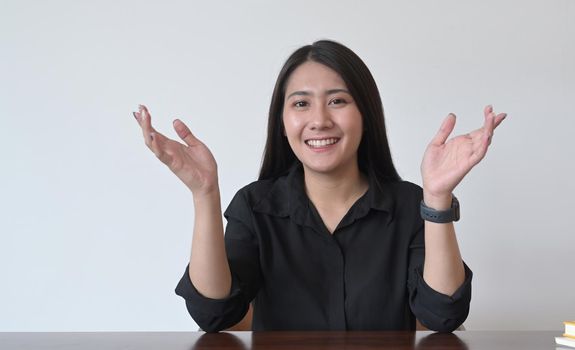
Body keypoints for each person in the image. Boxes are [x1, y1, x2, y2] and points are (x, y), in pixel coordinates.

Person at [132, 40, 506, 333]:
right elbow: (213, 313)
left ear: (366, 115)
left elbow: (443, 315)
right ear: (282, 122)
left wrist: (437, 198)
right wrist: (205, 194)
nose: (319, 120)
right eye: (301, 104)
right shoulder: (256, 206)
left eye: (338, 101)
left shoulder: (409, 205)